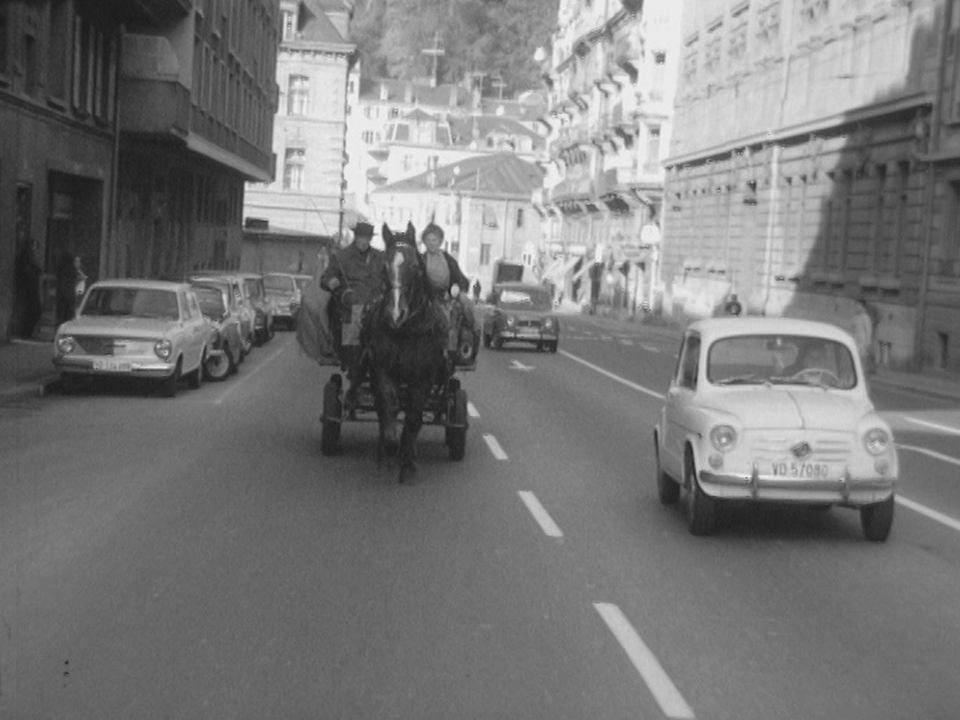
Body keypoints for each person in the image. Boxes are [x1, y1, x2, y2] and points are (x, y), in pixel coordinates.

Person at [319, 221, 385, 404]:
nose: (364, 241)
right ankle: (353, 365)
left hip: (376, 305)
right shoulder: (342, 257)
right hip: (352, 305)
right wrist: (331, 281)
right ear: (356, 237)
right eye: (361, 237)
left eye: (367, 238)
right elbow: (325, 277)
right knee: (353, 323)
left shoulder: (380, 257)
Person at [420, 223, 479, 367]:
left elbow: (459, 277)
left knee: (466, 309)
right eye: (428, 240)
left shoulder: (447, 258)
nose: (431, 243)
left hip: (449, 296)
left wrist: (457, 289)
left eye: (434, 240)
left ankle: (465, 346)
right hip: (428, 297)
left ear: (440, 241)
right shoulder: (421, 260)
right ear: (424, 242)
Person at [16, 239, 43, 338]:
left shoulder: (31, 257)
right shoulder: (27, 258)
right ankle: (26, 332)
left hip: (32, 286)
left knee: (33, 310)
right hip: (29, 287)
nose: (35, 249)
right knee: (33, 310)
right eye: (33, 246)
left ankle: (27, 332)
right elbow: (28, 271)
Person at [56, 251, 81, 327]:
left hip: (61, 294)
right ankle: (67, 336)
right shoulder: (72, 269)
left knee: (61, 316)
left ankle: (59, 332)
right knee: (69, 317)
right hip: (70, 295)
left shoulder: (60, 268)